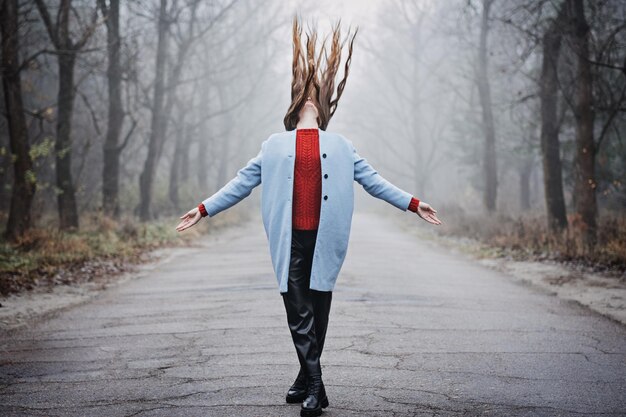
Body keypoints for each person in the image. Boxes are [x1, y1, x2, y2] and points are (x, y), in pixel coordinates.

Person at [176, 16, 442, 417]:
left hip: (325, 239)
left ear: (324, 107)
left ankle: (304, 377)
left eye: (317, 95)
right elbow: (240, 183)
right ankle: (317, 388)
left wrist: (412, 202)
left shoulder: (340, 144)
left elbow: (374, 182)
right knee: (297, 311)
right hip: (290, 240)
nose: (312, 99)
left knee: (317, 312)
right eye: (306, 95)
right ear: (296, 103)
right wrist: (203, 209)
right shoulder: (273, 145)